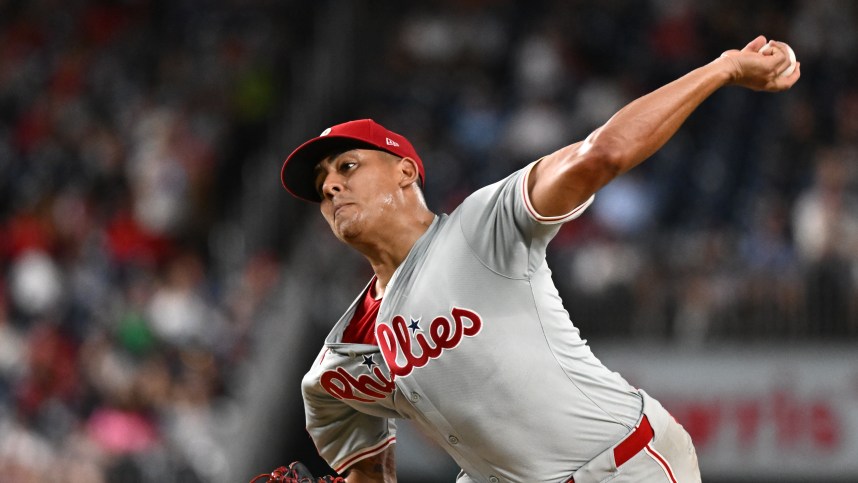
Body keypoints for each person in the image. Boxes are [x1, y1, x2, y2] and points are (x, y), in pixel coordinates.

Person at [275, 36, 799, 483]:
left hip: (622, 468)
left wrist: (723, 67)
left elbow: (601, 154)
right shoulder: (337, 368)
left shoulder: (482, 225)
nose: (332, 186)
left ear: (406, 172)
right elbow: (367, 471)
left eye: (347, 165)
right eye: (322, 188)